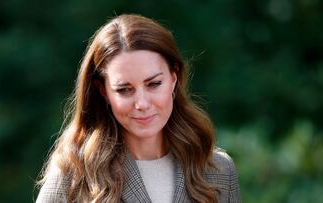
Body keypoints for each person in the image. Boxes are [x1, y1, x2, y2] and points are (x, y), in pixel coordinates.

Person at [36, 14, 241, 203]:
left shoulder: (218, 170)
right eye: (125, 89)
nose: (142, 104)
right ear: (103, 91)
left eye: (153, 84)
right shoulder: (73, 175)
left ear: (173, 78)